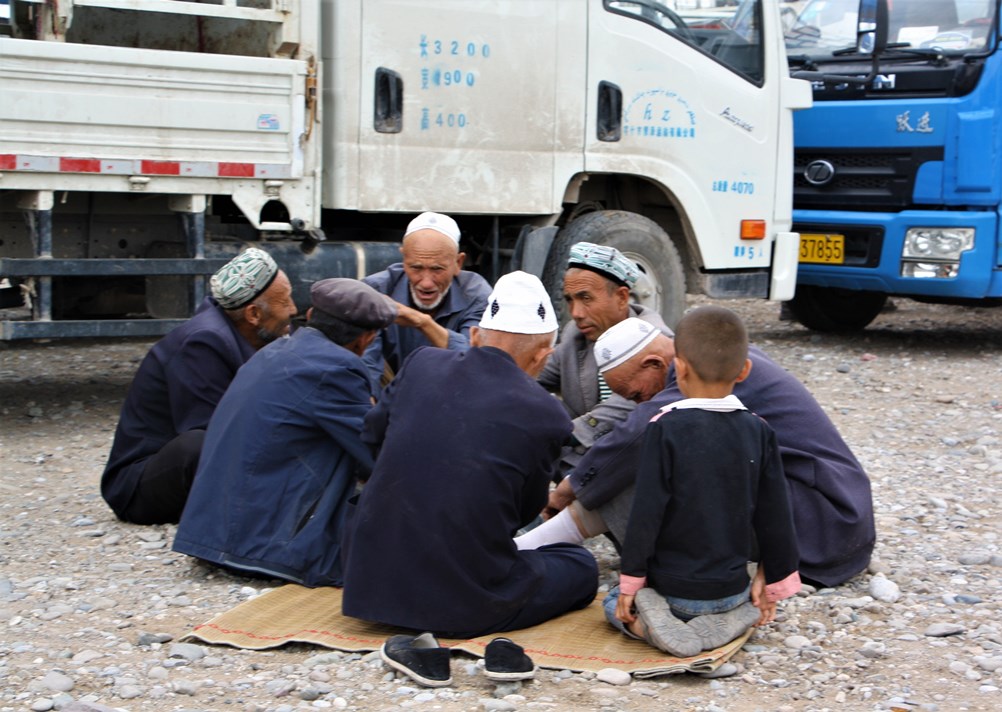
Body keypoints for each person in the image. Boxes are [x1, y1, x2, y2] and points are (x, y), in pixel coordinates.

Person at [517, 317, 876, 589]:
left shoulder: (704, 374)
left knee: (645, 469)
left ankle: (522, 551)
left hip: (823, 526)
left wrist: (571, 487)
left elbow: (639, 432)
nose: (638, 402)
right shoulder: (722, 357)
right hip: (830, 521)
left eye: (636, 394)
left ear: (658, 365)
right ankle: (539, 543)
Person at [341, 271, 598, 642]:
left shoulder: (421, 363)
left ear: (475, 336)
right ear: (544, 355)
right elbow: (523, 511)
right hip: (463, 600)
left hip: (367, 581)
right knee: (580, 565)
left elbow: (372, 436)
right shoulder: (545, 413)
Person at [172, 278, 398, 587]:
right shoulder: (336, 368)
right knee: (407, 551)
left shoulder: (273, 351)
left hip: (211, 532)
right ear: (366, 339)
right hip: (263, 546)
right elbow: (378, 455)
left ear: (309, 317)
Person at [605, 307, 801, 658]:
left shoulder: (663, 428)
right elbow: (776, 514)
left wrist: (630, 582)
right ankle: (735, 619)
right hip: (731, 590)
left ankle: (646, 625)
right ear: (745, 370)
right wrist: (774, 585)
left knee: (610, 601)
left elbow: (646, 513)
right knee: (732, 595)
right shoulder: (759, 430)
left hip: (673, 593)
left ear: (677, 368)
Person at [101, 247, 297, 524]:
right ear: (253, 314)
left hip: (182, 470)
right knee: (205, 443)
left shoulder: (243, 338)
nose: (293, 310)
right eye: (285, 302)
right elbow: (214, 432)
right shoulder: (204, 342)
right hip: (139, 487)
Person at [537, 241, 671, 478]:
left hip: (632, 470)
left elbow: (626, 406)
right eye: (569, 299)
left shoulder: (658, 341)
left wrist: (561, 433)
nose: (576, 313)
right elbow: (536, 373)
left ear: (621, 297)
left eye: (586, 298)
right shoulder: (574, 335)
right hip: (578, 466)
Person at [361, 211, 492, 391]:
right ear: (403, 258)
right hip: (389, 396)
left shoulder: (476, 296)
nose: (426, 282)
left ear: (458, 263)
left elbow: (474, 361)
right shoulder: (376, 290)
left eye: (437, 269)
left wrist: (423, 322)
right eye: (416, 268)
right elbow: (365, 364)